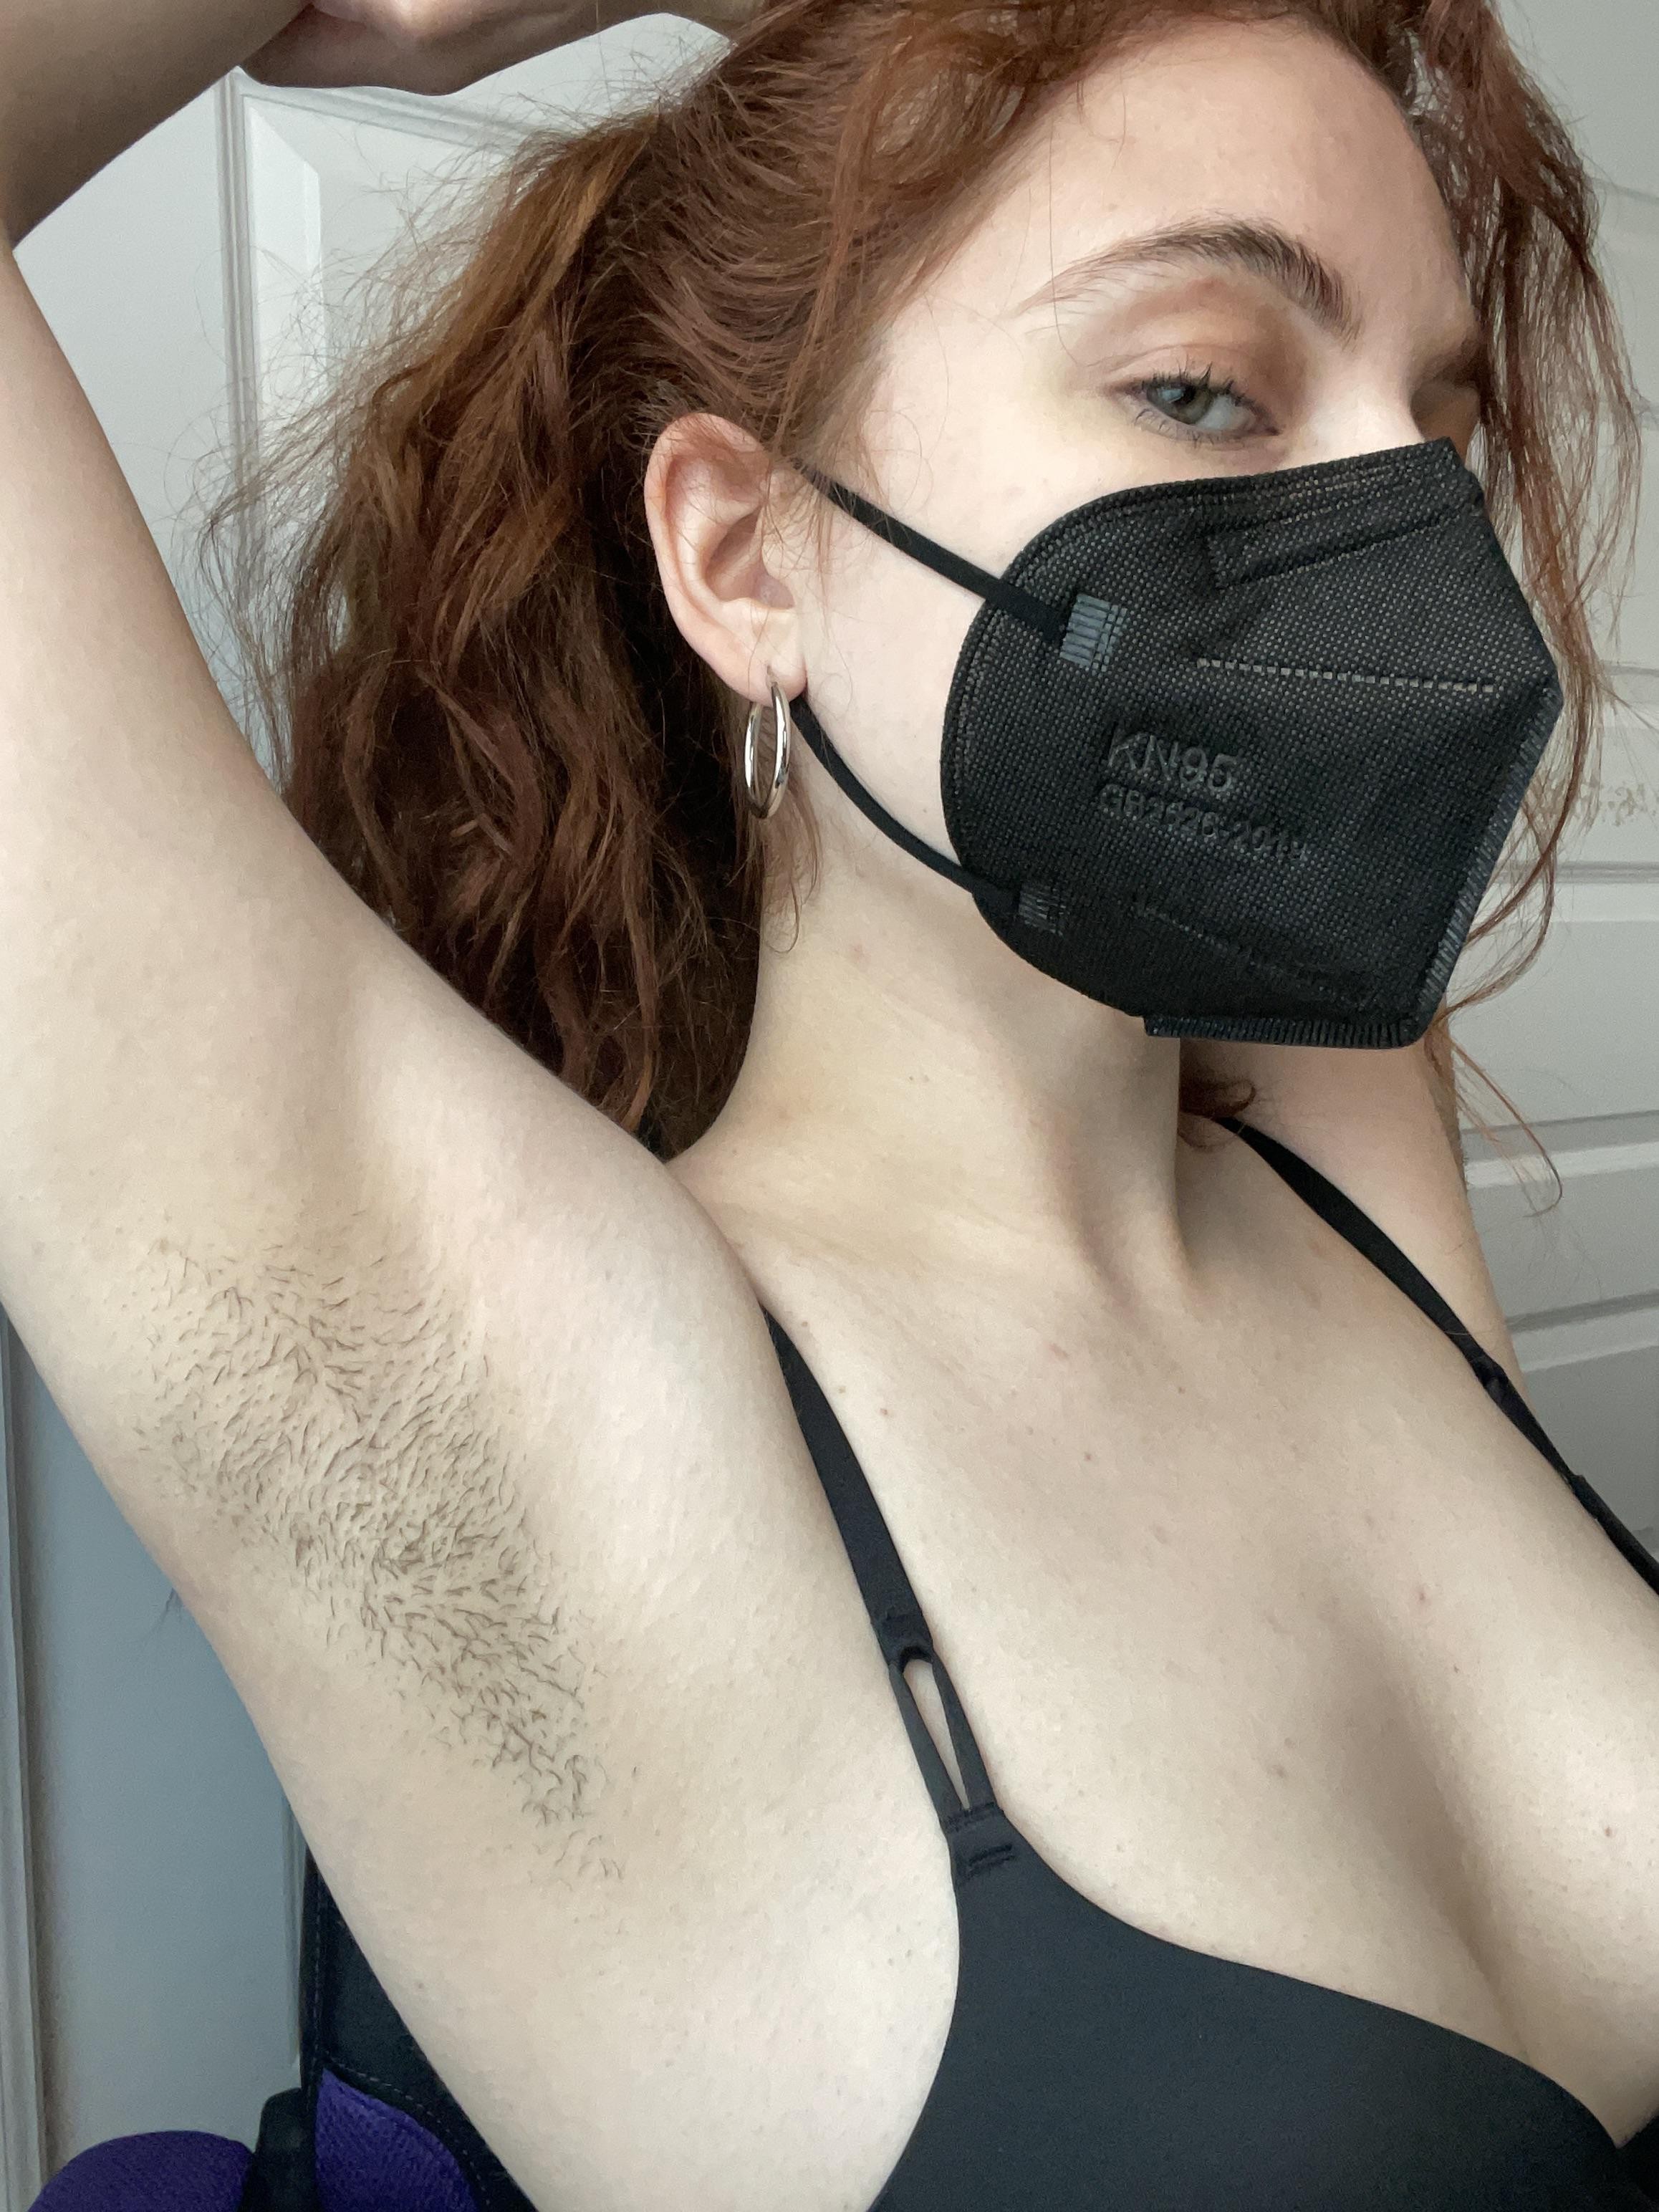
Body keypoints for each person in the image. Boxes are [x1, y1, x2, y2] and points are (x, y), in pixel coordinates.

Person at [1, 0, 1656, 2205]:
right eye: (1198, 387)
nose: (1407, 554)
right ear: (745, 557)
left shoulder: (1337, 1172)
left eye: (1432, 431)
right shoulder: (526, 1380)